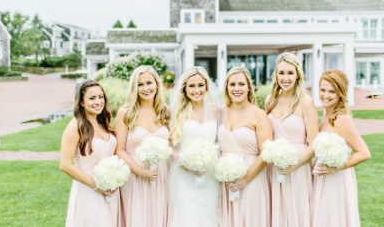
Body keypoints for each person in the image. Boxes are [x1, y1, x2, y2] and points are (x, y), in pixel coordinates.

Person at [311, 69, 371, 227]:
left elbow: (364, 153)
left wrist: (337, 168)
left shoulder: (341, 119)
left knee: (331, 218)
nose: (325, 95)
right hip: (321, 176)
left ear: (340, 94)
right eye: (322, 90)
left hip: (335, 179)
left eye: (332, 91)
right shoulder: (325, 113)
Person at [265, 52, 319, 227]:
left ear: (298, 75)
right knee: (277, 213)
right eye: (281, 73)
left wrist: (292, 165)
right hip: (274, 168)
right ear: (276, 75)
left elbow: (314, 144)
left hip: (298, 169)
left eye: (290, 73)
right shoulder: (270, 100)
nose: (285, 78)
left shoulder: (306, 102)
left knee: (297, 213)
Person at [114, 66, 170, 227]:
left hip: (160, 175)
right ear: (134, 88)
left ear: (157, 84)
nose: (145, 88)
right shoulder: (125, 112)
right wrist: (140, 171)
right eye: (140, 84)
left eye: (149, 83)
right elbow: (119, 149)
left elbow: (172, 146)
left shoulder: (166, 111)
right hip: (134, 176)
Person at [60, 80, 121, 227]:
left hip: (110, 189)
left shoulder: (103, 121)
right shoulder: (76, 126)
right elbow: (65, 165)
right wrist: (96, 185)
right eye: (92, 98)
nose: (98, 101)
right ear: (81, 102)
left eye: (101, 97)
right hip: (88, 189)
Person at [218, 66, 273, 227]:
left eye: (241, 84)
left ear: (249, 87)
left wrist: (245, 180)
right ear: (226, 87)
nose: (236, 89)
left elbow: (266, 153)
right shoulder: (220, 111)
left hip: (251, 178)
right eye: (232, 84)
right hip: (225, 178)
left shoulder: (259, 114)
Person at [167, 66, 222, 227]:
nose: (196, 90)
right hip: (184, 175)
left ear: (206, 86)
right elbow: (170, 146)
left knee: (208, 214)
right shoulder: (177, 111)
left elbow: (222, 140)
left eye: (200, 85)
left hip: (210, 174)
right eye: (191, 86)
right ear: (184, 88)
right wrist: (185, 162)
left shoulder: (217, 110)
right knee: (186, 215)